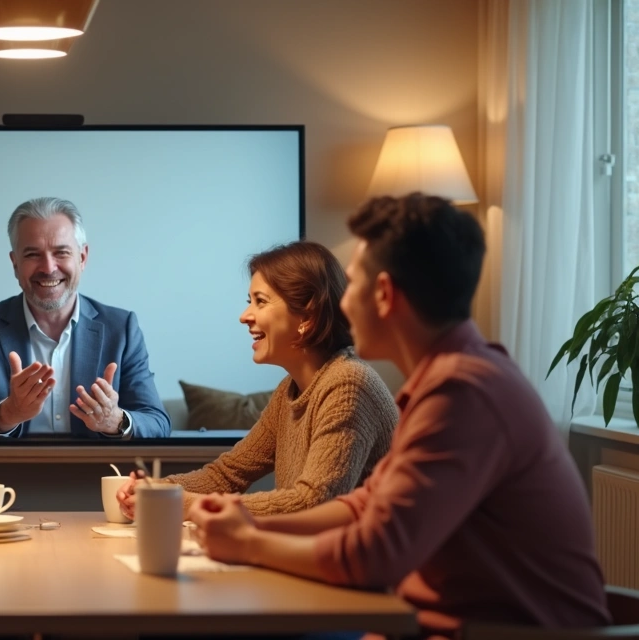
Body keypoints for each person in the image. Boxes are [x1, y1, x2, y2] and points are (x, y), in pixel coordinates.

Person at [188, 194, 609, 637]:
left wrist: (249, 544)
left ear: (385, 294)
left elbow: (375, 554)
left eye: (352, 286)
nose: (342, 304)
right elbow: (365, 506)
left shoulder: (462, 392)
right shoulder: (446, 380)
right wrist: (246, 521)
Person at [117, 241, 397, 518]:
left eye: (260, 302)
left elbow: (314, 503)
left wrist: (189, 504)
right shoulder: (290, 390)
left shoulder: (348, 384)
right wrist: (156, 489)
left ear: (307, 316)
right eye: (249, 302)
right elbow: (228, 474)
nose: (244, 316)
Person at [0, 197, 170, 439]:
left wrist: (116, 420)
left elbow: (157, 424)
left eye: (61, 252)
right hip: (5, 473)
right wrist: (8, 413)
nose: (48, 267)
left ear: (82, 258)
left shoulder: (121, 329)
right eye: (33, 255)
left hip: (100, 473)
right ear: (15, 264)